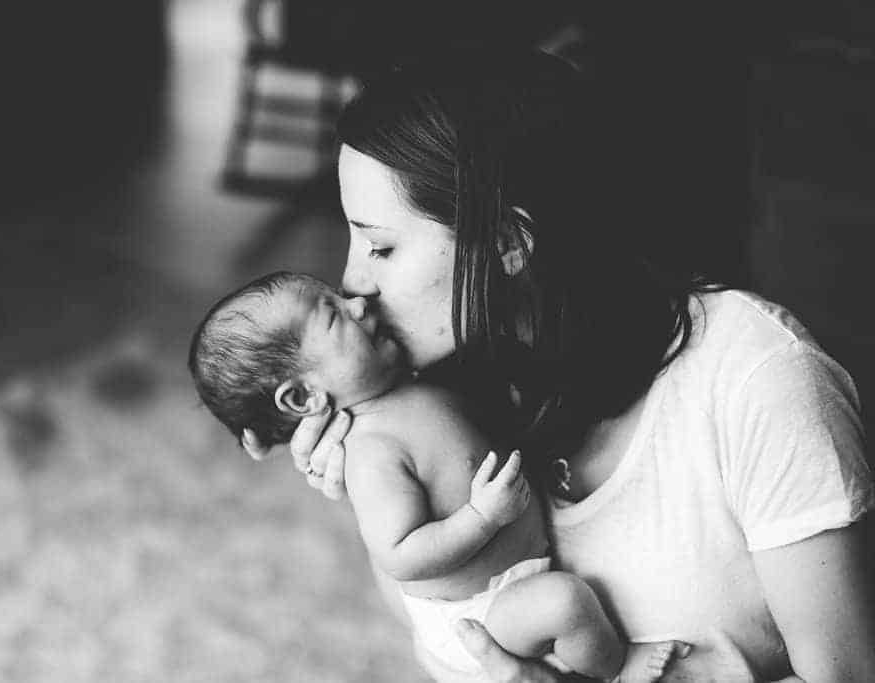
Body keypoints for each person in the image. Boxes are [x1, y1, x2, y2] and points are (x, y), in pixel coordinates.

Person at [240, 49, 875, 683]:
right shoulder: (441, 387)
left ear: (509, 245)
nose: (353, 284)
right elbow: (443, 629)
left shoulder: (759, 378)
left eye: (381, 245)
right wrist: (378, 479)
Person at [190, 271, 685, 681]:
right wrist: (481, 518)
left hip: (510, 575)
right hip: (479, 609)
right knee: (565, 602)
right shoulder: (369, 453)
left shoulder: (408, 386)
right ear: (304, 398)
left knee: (565, 601)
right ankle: (618, 671)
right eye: (334, 314)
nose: (359, 303)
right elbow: (401, 554)